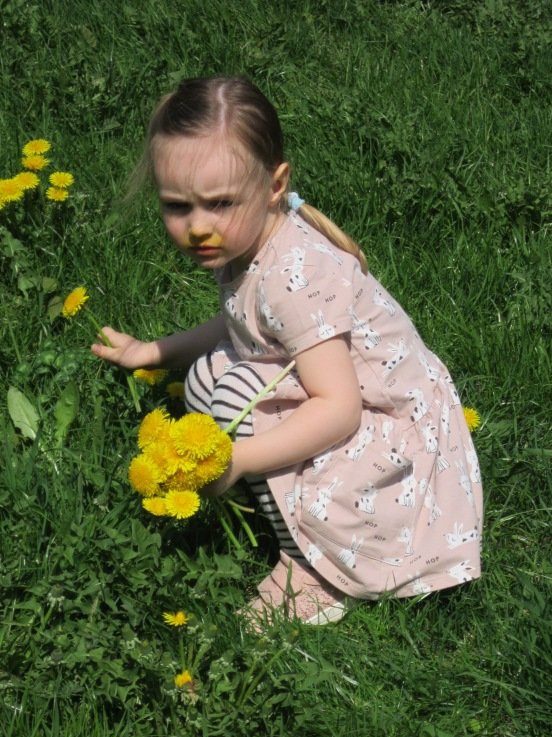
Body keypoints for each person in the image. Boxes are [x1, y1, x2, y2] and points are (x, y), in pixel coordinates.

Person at [91, 76, 483, 625]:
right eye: (177, 207)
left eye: (219, 203)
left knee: (233, 393)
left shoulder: (293, 278)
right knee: (206, 376)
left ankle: (313, 568)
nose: (198, 228)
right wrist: (154, 352)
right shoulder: (249, 239)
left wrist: (237, 462)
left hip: (389, 434)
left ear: (276, 185)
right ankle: (281, 509)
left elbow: (340, 409)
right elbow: (239, 326)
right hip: (349, 401)